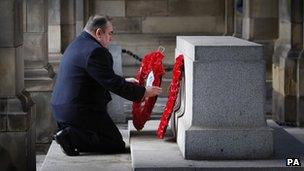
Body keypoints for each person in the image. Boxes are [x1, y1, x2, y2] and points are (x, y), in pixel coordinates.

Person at [51, 15, 162, 156]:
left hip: (64, 108)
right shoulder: (95, 51)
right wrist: (144, 92)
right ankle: (71, 136)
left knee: (109, 139)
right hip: (79, 111)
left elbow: (100, 77)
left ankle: (72, 133)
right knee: (115, 143)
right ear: (98, 33)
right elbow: (112, 84)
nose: (111, 38)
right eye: (110, 33)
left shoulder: (78, 43)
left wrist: (124, 81)